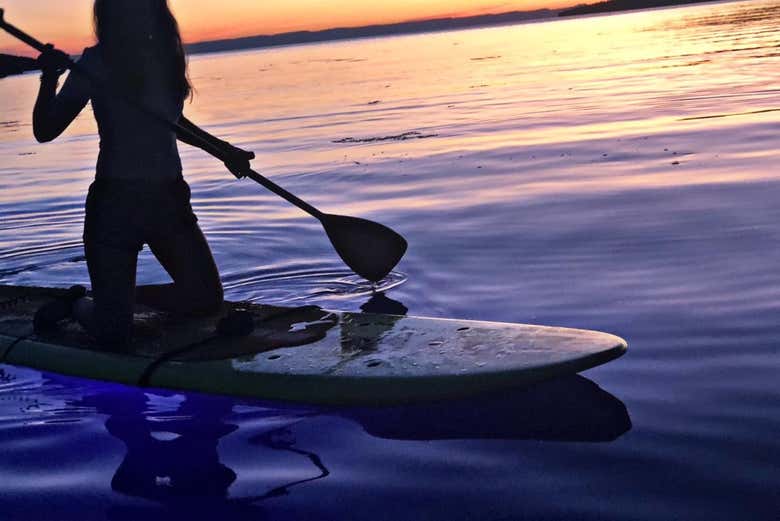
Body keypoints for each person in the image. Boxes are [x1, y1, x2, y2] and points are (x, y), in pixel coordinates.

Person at [31, 0, 254, 348]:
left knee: (205, 301)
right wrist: (49, 78)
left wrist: (224, 151)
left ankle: (112, 298)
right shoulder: (97, 63)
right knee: (114, 334)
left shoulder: (165, 56)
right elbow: (45, 130)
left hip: (169, 200)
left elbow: (169, 121)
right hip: (115, 207)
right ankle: (79, 305)